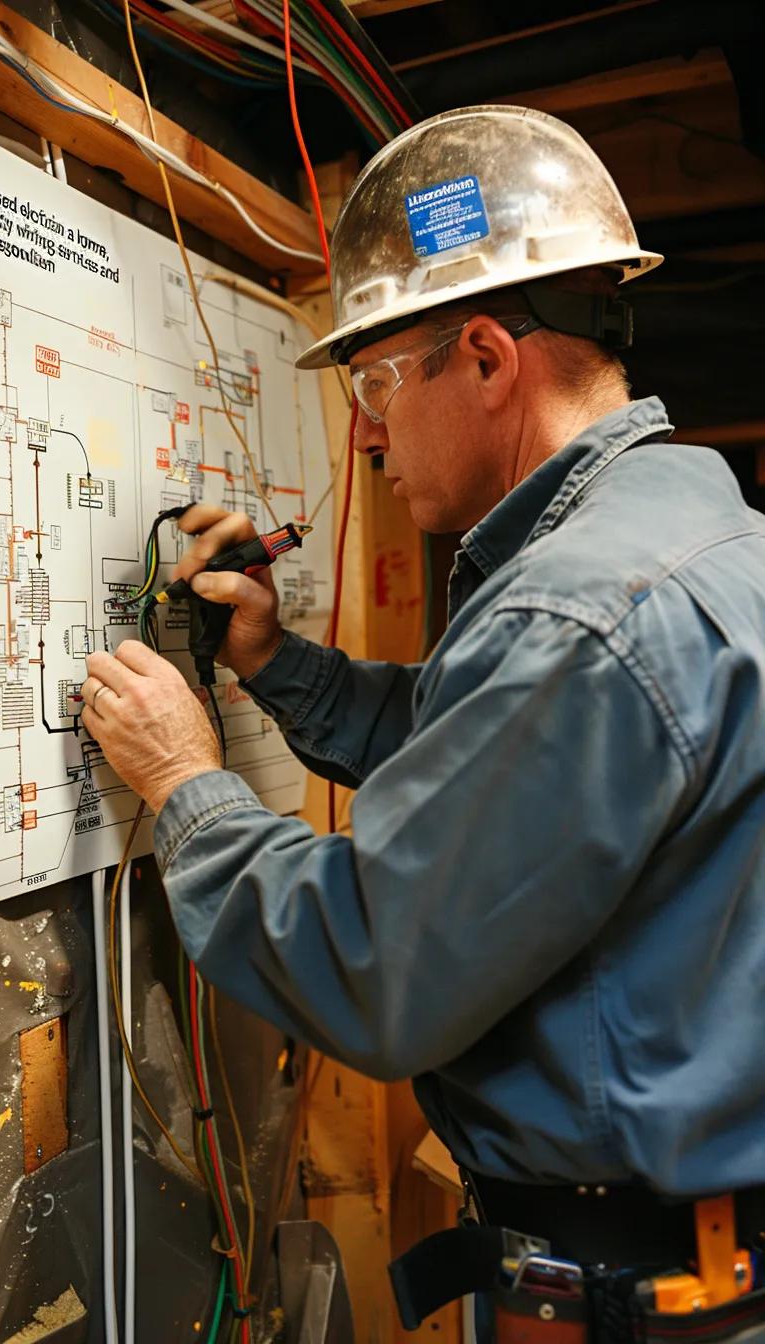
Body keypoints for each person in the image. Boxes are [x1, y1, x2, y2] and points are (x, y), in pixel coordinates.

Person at [82, 107, 765, 1339]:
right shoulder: (698, 538)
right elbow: (507, 776)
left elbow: (375, 965)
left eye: (373, 383)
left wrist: (184, 780)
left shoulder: (575, 613)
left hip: (637, 1298)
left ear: (488, 359)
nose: (363, 431)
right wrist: (276, 664)